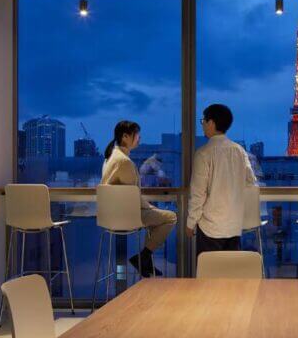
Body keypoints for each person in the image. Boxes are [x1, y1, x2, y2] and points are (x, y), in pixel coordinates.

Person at [101, 120, 177, 278]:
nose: (139, 138)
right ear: (125, 137)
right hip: (127, 216)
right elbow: (133, 197)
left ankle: (145, 260)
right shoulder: (124, 162)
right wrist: (151, 207)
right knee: (170, 217)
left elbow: (128, 194)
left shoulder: (110, 158)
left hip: (110, 215)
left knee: (155, 220)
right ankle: (144, 257)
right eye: (137, 135)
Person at [186, 104, 257, 255]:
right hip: (234, 224)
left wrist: (190, 223)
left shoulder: (203, 153)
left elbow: (198, 193)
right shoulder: (239, 151)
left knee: (209, 274)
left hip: (210, 226)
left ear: (211, 123)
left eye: (203, 121)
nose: (203, 125)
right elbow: (250, 181)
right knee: (230, 275)